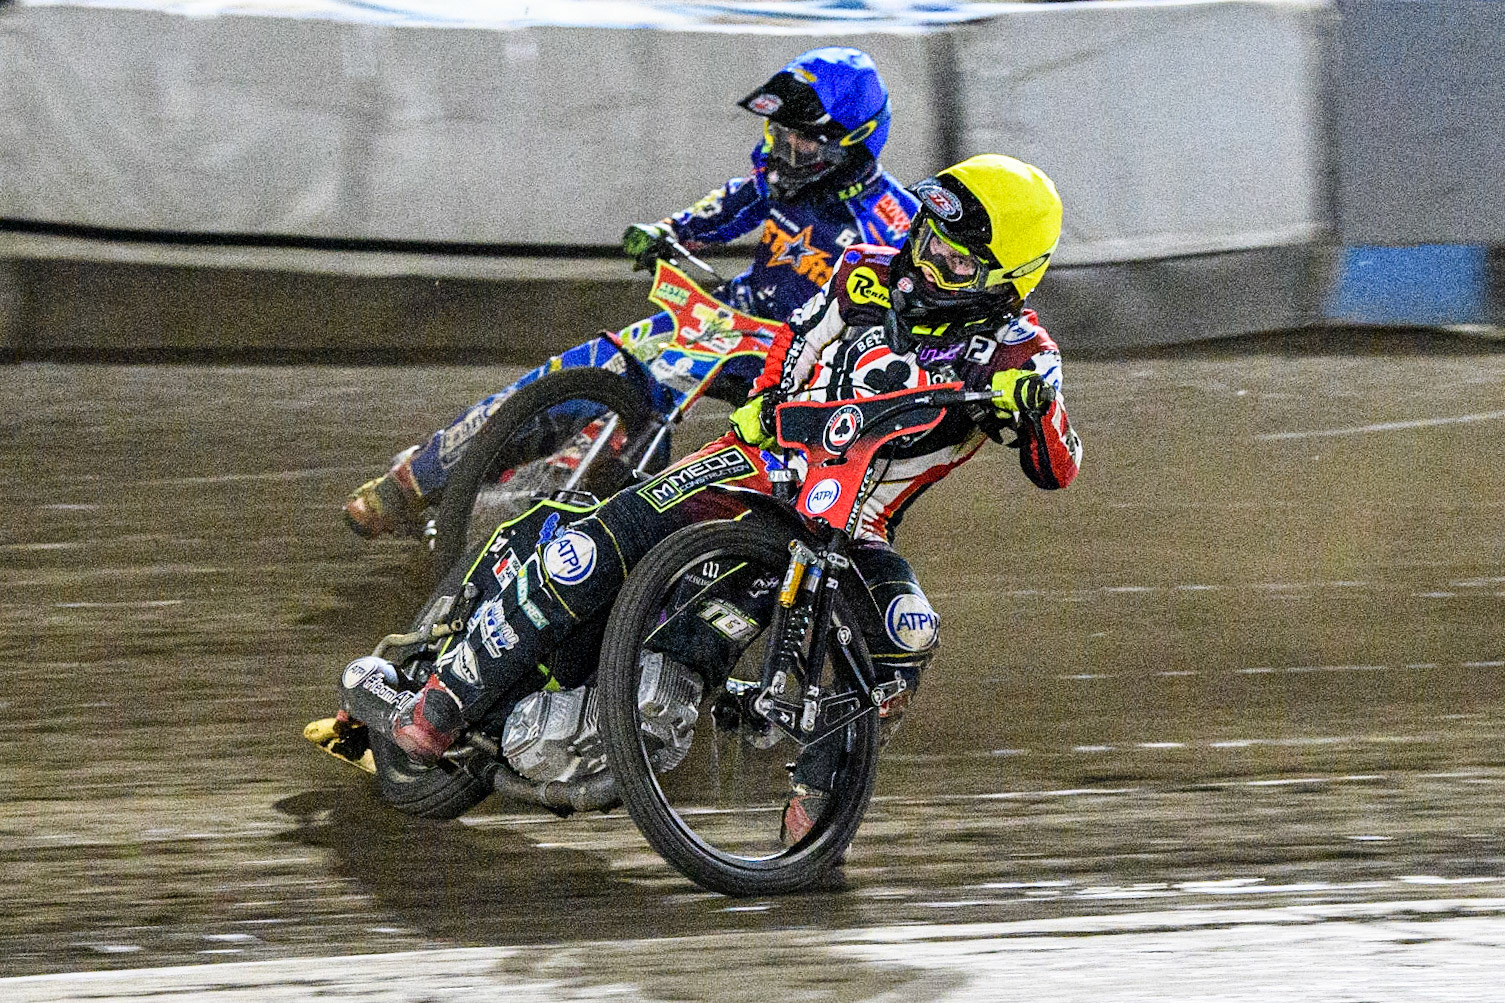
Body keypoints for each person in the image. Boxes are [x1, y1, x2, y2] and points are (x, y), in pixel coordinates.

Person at [378, 153, 1084, 841]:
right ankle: (447, 695)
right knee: (597, 541)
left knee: (907, 635)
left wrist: (1033, 408)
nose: (927, 263)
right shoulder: (865, 272)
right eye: (929, 237)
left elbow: (1059, 466)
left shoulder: (1023, 355)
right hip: (754, 462)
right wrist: (769, 407)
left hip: (851, 527)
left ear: (1009, 279)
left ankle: (822, 799)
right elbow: (790, 347)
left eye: (956, 261)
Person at [343, 46, 920, 539]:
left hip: (803, 365)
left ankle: (613, 531)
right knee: (591, 369)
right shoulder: (778, 178)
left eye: (803, 144)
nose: (785, 153)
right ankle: (424, 474)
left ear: (855, 144)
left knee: (727, 472)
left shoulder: (893, 225)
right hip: (737, 315)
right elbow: (732, 203)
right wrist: (669, 231)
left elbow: (906, 324)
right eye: (781, 136)